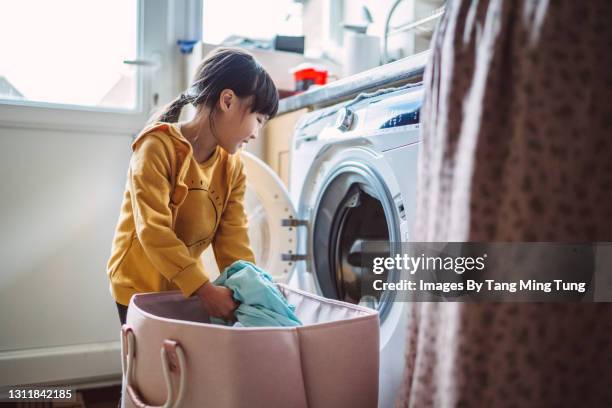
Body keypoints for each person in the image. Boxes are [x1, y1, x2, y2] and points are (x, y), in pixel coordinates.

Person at [107, 47, 279, 326]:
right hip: (137, 283)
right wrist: (204, 289)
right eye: (258, 120)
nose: (256, 133)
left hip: (183, 283)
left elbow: (233, 240)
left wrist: (251, 287)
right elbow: (153, 230)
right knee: (147, 365)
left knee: (181, 364)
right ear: (227, 101)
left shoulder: (232, 167)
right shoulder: (156, 147)